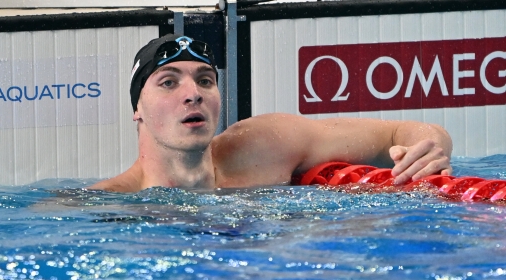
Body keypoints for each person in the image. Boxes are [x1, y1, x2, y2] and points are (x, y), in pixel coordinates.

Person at [89, 34, 453, 192]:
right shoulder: (110, 205)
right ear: (137, 108)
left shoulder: (266, 145)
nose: (193, 95)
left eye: (205, 80)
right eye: (168, 83)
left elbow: (403, 132)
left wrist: (427, 148)